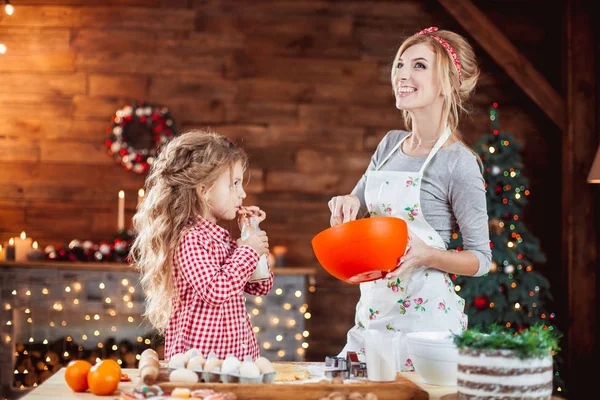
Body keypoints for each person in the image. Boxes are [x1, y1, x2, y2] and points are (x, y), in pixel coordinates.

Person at [328, 27, 492, 371]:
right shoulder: (389, 145)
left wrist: (427, 255)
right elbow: (356, 207)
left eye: (419, 66)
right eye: (400, 64)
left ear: (446, 82)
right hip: (375, 313)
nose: (402, 74)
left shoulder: (458, 162)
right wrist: (345, 204)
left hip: (428, 323)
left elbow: (481, 259)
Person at [130, 130, 273, 361]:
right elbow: (215, 291)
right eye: (234, 184)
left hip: (234, 360)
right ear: (204, 191)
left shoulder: (223, 240)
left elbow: (260, 286)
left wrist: (251, 232)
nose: (243, 193)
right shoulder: (190, 239)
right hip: (200, 363)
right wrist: (248, 250)